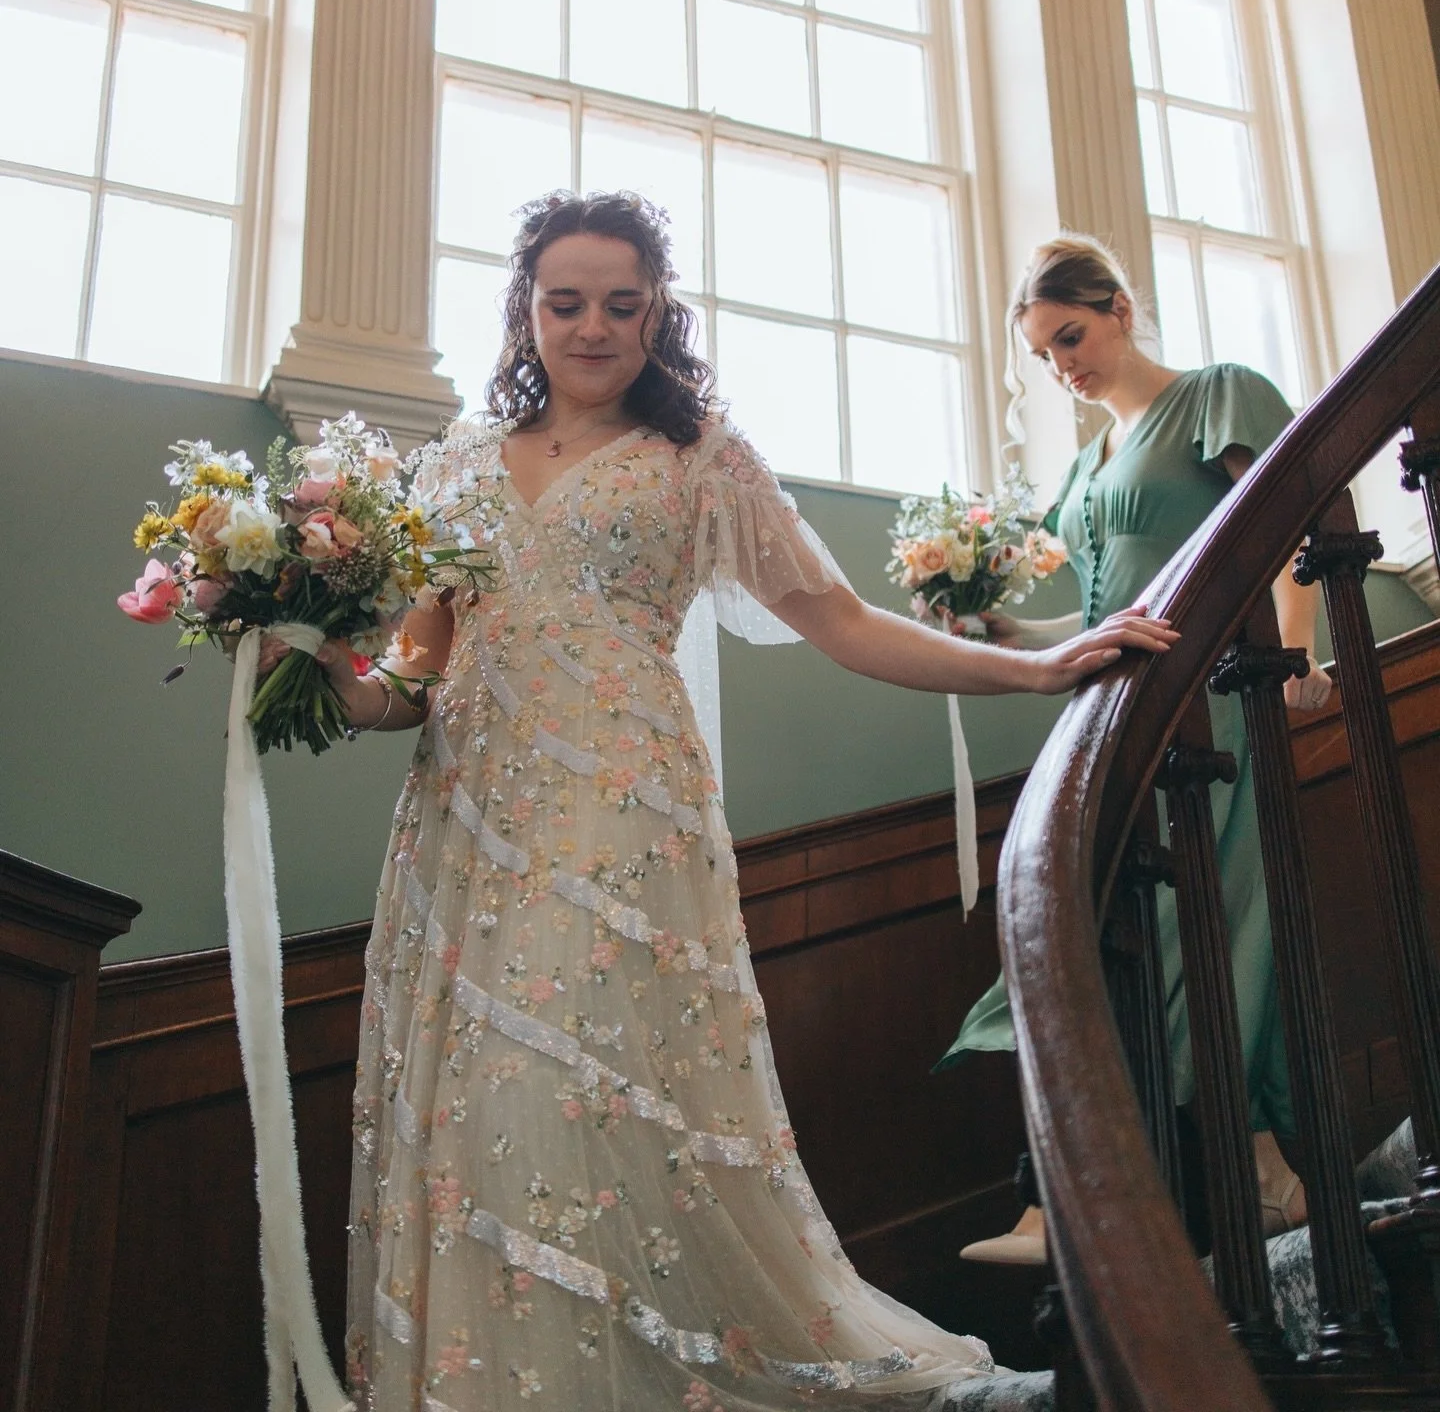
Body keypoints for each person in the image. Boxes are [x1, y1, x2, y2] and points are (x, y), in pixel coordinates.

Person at [266, 194, 1176, 1410]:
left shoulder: (706, 457)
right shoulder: (458, 466)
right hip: (468, 826)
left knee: (578, 1083)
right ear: (526, 311)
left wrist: (1033, 667)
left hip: (622, 810)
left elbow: (842, 621)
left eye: (621, 304)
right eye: (564, 302)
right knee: (485, 1103)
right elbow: (416, 682)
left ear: (659, 314)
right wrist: (325, 663)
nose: (591, 327)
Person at [943, 234, 1332, 1266]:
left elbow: (1292, 526)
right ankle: (1245, 1164)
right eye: (1043, 355)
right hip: (1112, 716)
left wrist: (1293, 660)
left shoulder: (1218, 394)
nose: (1063, 366)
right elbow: (1094, 616)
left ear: (1118, 307)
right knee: (1112, 922)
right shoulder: (1082, 468)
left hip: (1218, 694)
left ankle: (1149, 1182)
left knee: (1202, 924)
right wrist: (999, 634)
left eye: (1071, 335)